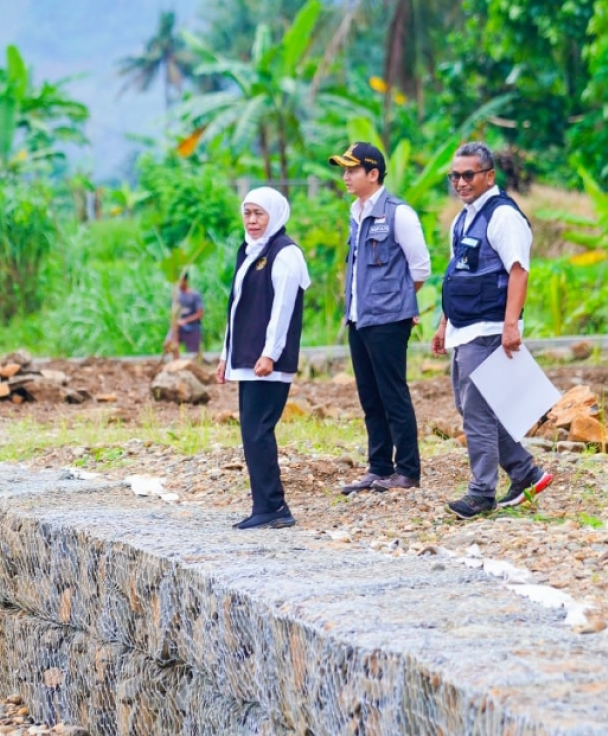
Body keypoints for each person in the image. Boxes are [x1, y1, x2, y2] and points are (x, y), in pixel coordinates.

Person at [432, 142, 553, 520]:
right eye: (455, 175)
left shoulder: (503, 217)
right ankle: (526, 473)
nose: (461, 182)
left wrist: (510, 325)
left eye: (469, 175)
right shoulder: (464, 219)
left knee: (477, 415)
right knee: (472, 408)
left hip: (488, 328)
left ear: (488, 175)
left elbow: (519, 269)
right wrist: (443, 323)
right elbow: (457, 275)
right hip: (463, 329)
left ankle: (482, 492)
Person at [329, 142, 431, 496]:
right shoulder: (355, 212)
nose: (345, 177)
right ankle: (378, 468)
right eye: (344, 170)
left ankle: (407, 470)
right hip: (359, 318)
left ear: (373, 174)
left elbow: (420, 267)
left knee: (393, 393)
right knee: (369, 396)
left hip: (389, 319)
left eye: (352, 170)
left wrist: (398, 302)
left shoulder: (398, 213)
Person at [216, 187, 311, 530]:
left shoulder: (285, 254)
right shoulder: (249, 249)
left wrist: (270, 353)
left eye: (259, 214)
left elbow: (282, 309)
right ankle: (266, 505)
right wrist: (225, 355)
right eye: (248, 213)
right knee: (251, 431)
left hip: (266, 362)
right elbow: (236, 307)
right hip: (246, 358)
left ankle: (273, 506)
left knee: (258, 431)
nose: (253, 220)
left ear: (275, 215)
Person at [163, 271, 205, 360]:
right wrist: (174, 323)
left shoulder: (194, 296)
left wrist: (185, 321)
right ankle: (175, 363)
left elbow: (200, 314)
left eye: (180, 280)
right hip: (178, 327)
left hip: (192, 327)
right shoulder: (176, 296)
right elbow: (173, 312)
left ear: (186, 281)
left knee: (194, 353)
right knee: (168, 344)